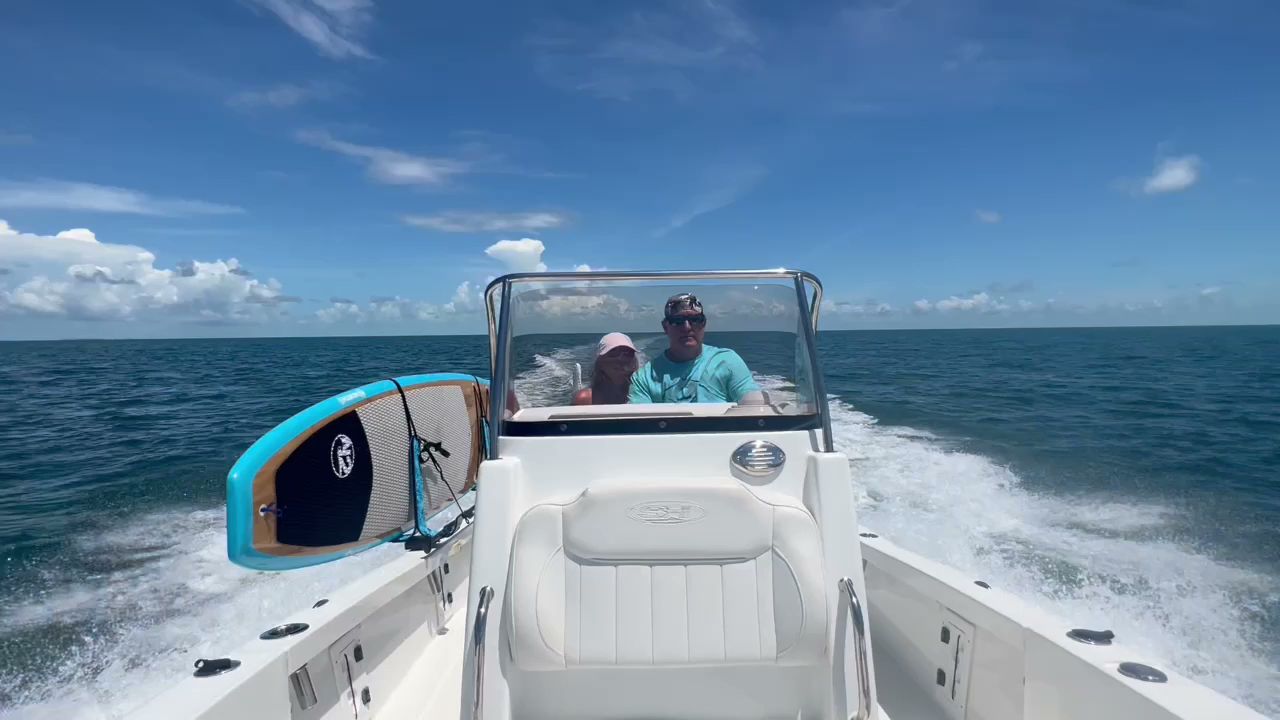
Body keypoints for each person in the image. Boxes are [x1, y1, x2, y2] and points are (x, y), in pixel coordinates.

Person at [628, 293, 764, 404]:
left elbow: (753, 406)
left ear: (704, 324)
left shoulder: (727, 361)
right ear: (665, 327)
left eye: (695, 320)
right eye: (678, 321)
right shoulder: (644, 378)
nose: (687, 327)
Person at [573, 332, 639, 405]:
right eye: (613, 353)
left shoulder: (644, 393)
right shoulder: (585, 398)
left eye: (628, 353)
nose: (621, 359)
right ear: (601, 362)